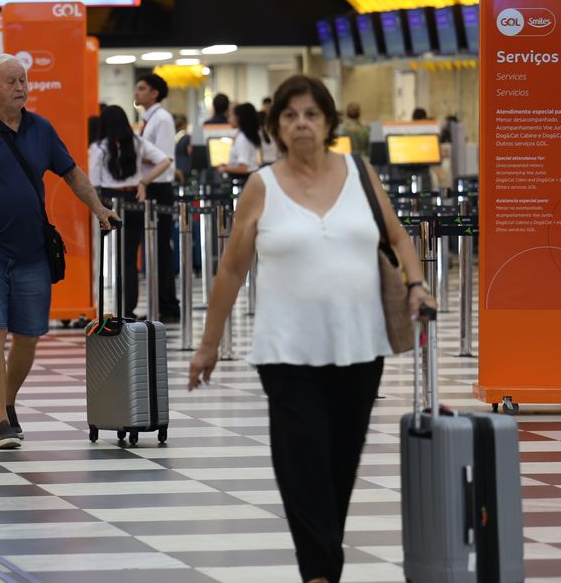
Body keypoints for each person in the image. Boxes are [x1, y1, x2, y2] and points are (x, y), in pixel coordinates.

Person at [190, 75, 433, 583]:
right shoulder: (261, 186)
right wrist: (208, 346)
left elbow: (397, 237)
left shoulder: (360, 172)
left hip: (359, 347)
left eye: (311, 114)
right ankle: (318, 576)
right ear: (276, 127)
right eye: (290, 115)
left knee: (340, 467)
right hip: (287, 353)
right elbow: (231, 268)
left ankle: (324, 569)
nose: (301, 123)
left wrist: (416, 285)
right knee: (302, 465)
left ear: (328, 123)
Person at [0, 55, 114, 450]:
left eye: (23, 80)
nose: (21, 87)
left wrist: (98, 208)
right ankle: (1, 422)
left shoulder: (41, 129)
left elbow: (71, 172)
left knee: (28, 337)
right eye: (12, 81)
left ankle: (8, 400)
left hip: (32, 252)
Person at [89, 105, 173, 318]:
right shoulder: (137, 142)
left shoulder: (98, 147)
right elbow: (165, 161)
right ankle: (127, 308)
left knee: (102, 255)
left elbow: (94, 182)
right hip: (134, 200)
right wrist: (144, 182)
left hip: (108, 200)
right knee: (129, 258)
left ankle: (105, 305)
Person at [133, 72, 180, 322]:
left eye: (142, 88)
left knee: (160, 248)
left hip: (159, 188)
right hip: (149, 187)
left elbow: (164, 158)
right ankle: (157, 304)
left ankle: (168, 306)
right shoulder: (148, 119)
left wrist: (136, 161)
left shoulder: (162, 119)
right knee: (152, 248)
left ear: (154, 93)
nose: (136, 92)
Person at [221, 103, 263, 181]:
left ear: (238, 118)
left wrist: (225, 168)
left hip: (243, 180)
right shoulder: (246, 135)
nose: (229, 118)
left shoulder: (243, 139)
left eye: (232, 115)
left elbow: (243, 168)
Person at [173, 114, 192, 182]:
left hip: (175, 166)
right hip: (185, 166)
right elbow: (190, 152)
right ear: (184, 124)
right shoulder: (187, 137)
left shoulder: (174, 137)